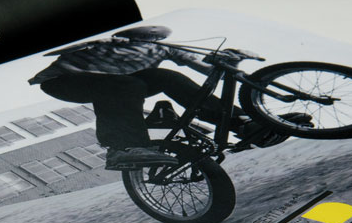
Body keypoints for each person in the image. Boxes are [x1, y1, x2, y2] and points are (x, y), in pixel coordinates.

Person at [29, 26, 310, 169]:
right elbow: (55, 51)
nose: (149, 44)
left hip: (125, 86)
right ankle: (122, 149)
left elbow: (206, 70)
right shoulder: (106, 44)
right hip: (65, 82)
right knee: (124, 84)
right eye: (144, 39)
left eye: (153, 40)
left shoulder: (165, 50)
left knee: (168, 77)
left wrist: (230, 61)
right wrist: (96, 40)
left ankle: (244, 124)